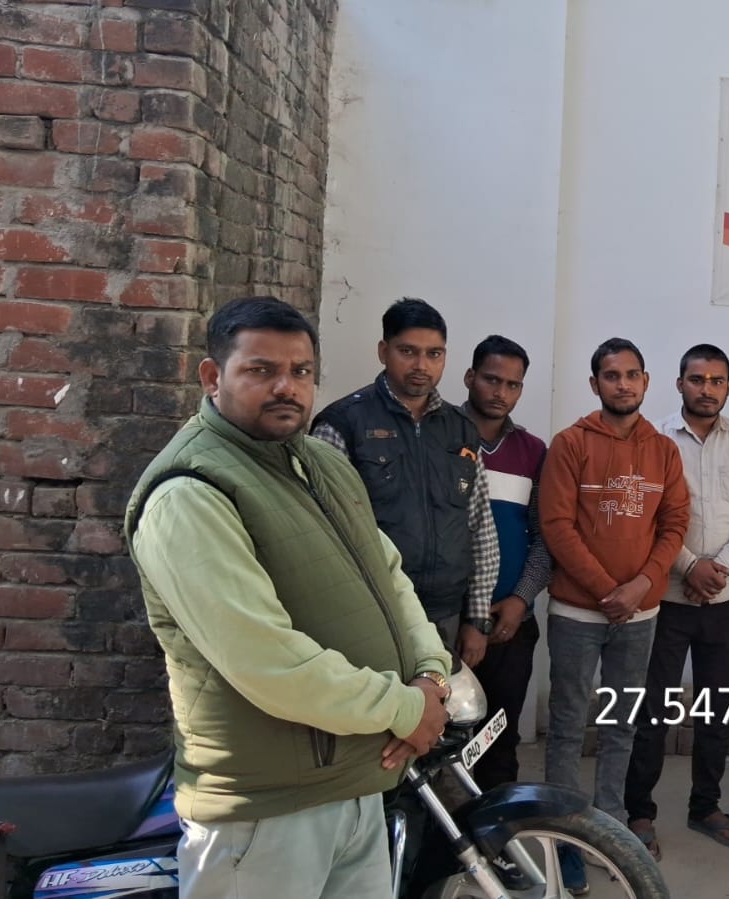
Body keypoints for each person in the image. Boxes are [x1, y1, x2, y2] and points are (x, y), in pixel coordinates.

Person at [125, 296, 452, 898]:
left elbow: (389, 574)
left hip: (355, 785)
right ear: (212, 376)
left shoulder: (322, 463)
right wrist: (406, 709)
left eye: (301, 371)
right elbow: (267, 662)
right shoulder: (189, 493)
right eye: (261, 369)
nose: (286, 386)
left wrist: (431, 673)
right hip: (262, 814)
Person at [540, 337, 690, 892]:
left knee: (621, 724)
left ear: (646, 382)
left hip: (640, 616)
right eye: (611, 375)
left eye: (631, 375)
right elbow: (557, 526)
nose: (622, 384)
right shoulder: (570, 443)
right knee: (566, 727)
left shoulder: (663, 450)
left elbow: (675, 524)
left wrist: (643, 585)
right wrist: (610, 591)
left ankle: (608, 830)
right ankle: (564, 839)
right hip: (577, 614)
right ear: (595, 383)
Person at [625, 344, 729, 857]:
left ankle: (705, 806)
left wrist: (719, 567)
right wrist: (690, 566)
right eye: (697, 379)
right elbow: (647, 515)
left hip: (728, 597)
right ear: (678, 383)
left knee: (717, 709)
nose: (706, 389)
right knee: (654, 709)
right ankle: (639, 813)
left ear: (728, 387)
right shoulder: (654, 439)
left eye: (716, 380)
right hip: (666, 597)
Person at [311, 298, 499, 663]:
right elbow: (323, 532)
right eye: (408, 351)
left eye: (434, 354)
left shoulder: (461, 430)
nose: (421, 366)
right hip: (372, 612)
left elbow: (480, 527)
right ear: (384, 351)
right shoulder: (342, 425)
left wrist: (477, 618)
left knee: (440, 698)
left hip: (445, 613)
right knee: (375, 700)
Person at [459, 335, 551, 790]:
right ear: (470, 377)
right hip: (445, 623)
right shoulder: (438, 438)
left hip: (511, 626)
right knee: (441, 742)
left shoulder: (533, 451)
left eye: (512, 385)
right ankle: (440, 833)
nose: (500, 392)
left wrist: (520, 600)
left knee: (499, 739)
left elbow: (544, 538)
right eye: (492, 380)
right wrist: (464, 617)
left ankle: (496, 830)